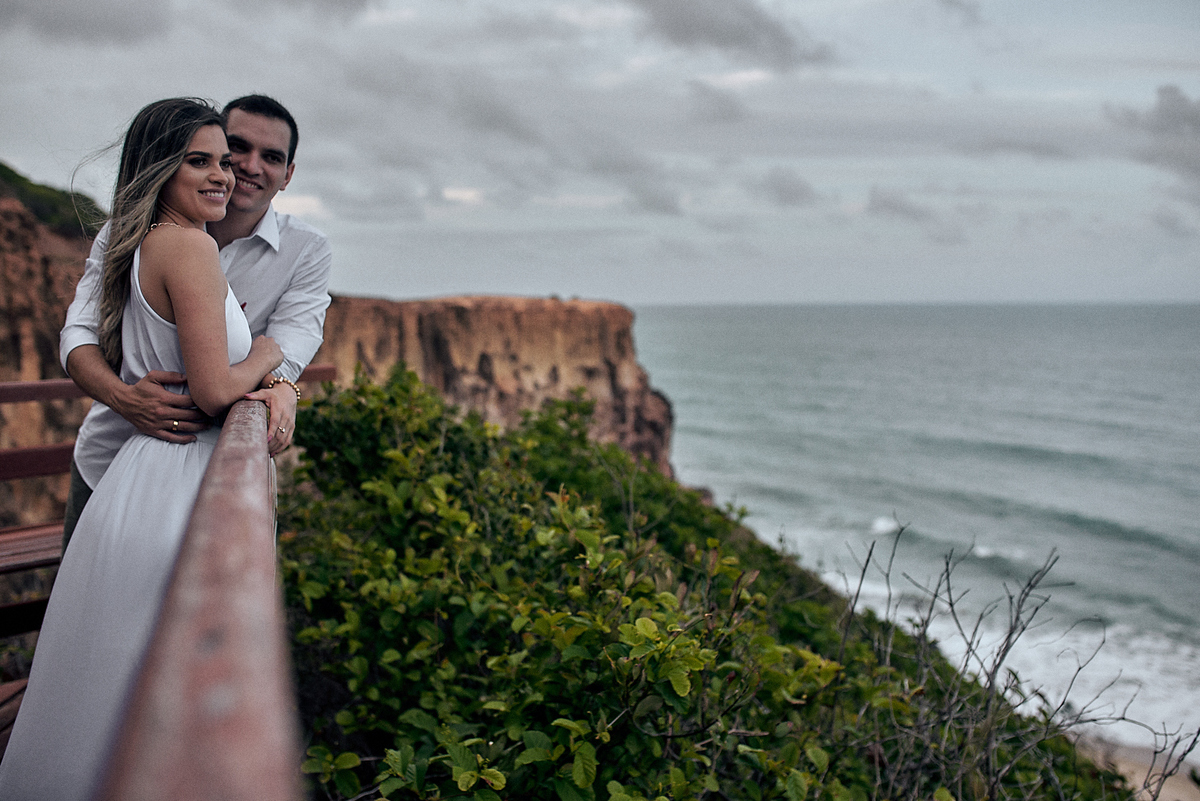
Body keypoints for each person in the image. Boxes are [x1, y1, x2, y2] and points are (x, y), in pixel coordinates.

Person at [0, 98, 285, 800]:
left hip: (145, 472)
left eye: (224, 160)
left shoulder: (152, 239)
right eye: (200, 160)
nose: (222, 175)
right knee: (162, 665)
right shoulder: (186, 245)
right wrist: (270, 359)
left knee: (109, 671)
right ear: (159, 168)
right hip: (174, 474)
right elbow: (216, 390)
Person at [58, 94, 332, 547]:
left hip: (203, 467)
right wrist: (124, 398)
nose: (245, 167)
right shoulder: (128, 232)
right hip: (110, 451)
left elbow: (296, 333)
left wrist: (282, 385)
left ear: (288, 175)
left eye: (271, 157)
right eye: (235, 149)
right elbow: (78, 332)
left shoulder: (306, 249)